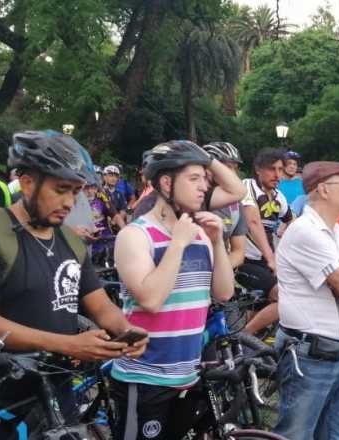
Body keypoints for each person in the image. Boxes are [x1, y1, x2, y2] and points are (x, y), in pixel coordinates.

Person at [0, 130, 147, 438]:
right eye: (62, 190)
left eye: (76, 192)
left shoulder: (69, 240)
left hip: (56, 389)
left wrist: (125, 331)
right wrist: (68, 344)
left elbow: (100, 304)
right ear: (27, 183)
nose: (70, 202)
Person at [109, 140, 235, 439]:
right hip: (144, 379)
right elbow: (150, 299)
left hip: (188, 376)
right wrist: (177, 244)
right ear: (166, 182)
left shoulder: (201, 234)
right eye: (194, 178)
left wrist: (217, 241)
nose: (204, 187)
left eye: (205, 179)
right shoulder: (135, 235)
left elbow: (225, 293)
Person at [273, 161, 339, 440]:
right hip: (312, 354)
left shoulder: (338, 232)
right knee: (296, 435)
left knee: (336, 435)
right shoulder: (306, 231)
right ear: (322, 190)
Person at [239, 148, 295, 336]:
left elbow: (292, 222)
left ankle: (249, 344)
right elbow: (253, 222)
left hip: (266, 262)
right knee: (283, 296)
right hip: (243, 261)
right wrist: (272, 259)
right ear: (258, 169)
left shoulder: (279, 197)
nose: (277, 174)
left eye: (280, 169)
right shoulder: (246, 186)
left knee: (261, 305)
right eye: (272, 169)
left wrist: (285, 233)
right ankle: (243, 338)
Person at [203, 141, 251, 269]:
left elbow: (239, 252)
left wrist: (218, 272)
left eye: (235, 168)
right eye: (227, 168)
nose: (233, 174)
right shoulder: (196, 197)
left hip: (218, 271)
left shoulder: (235, 205)